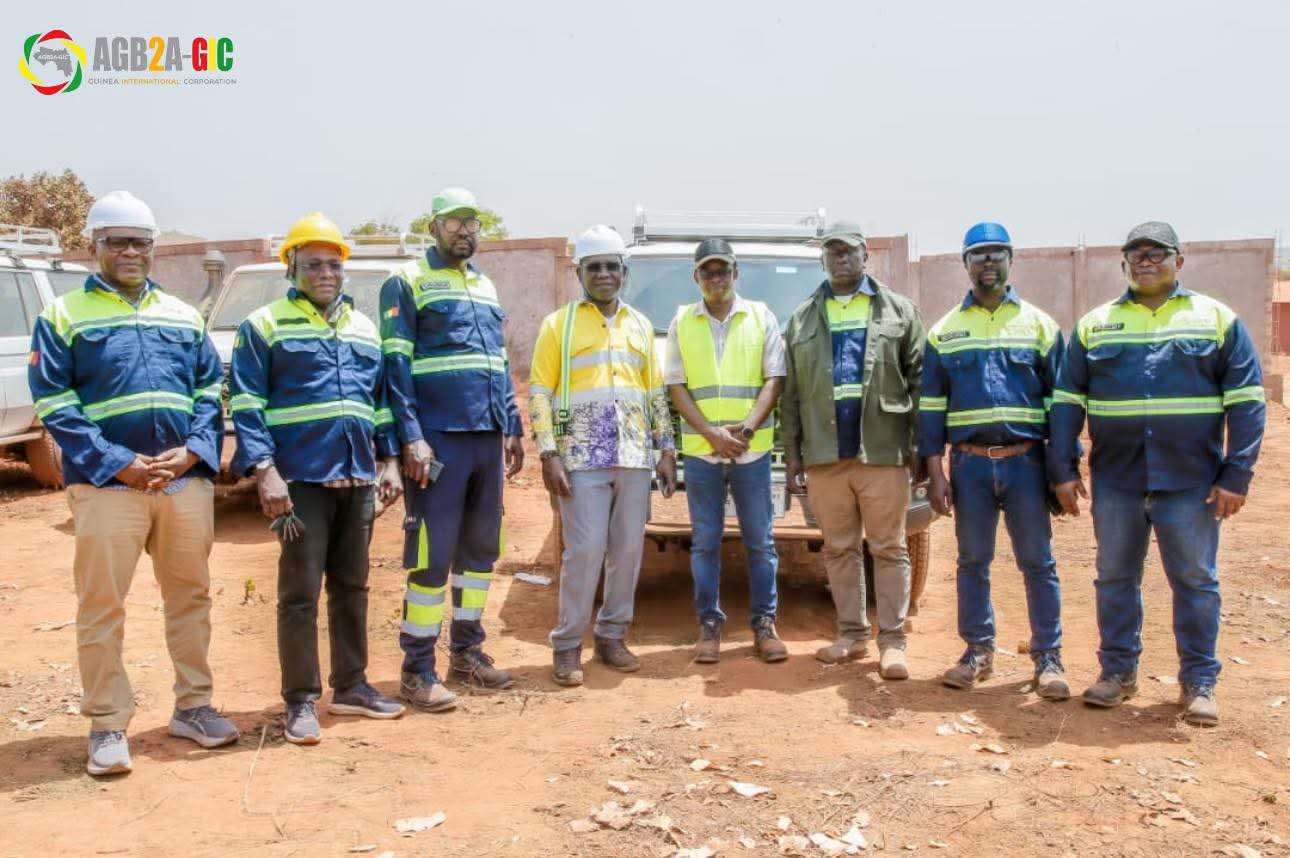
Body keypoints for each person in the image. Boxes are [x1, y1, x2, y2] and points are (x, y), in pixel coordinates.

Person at [27, 191, 238, 775]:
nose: (129, 252)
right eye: (117, 241)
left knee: (191, 599)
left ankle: (194, 707)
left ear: (153, 248)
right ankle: (107, 724)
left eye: (140, 243)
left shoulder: (181, 315)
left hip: (181, 485)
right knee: (102, 606)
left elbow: (208, 390)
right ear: (94, 246)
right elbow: (55, 401)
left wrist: (193, 452)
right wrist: (116, 462)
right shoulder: (63, 316)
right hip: (107, 488)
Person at [1050, 221, 1265, 726]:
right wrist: (1063, 468)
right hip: (1117, 481)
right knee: (1114, 578)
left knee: (1195, 580)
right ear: (1124, 263)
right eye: (1137, 254)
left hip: (1190, 481)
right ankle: (1117, 672)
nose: (1146, 261)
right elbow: (1066, 402)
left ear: (1178, 261)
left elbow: (1247, 402)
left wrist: (1237, 473)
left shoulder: (1216, 321)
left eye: (1157, 253)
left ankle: (1199, 682)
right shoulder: (1096, 325)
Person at [230, 212, 406, 744]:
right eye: (313, 264)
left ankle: (351, 686)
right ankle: (301, 700)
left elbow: (379, 404)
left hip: (357, 480)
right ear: (291, 267)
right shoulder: (263, 326)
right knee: (300, 593)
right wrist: (265, 471)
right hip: (301, 481)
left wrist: (389, 461)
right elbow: (246, 403)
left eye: (333, 264)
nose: (325, 273)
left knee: (352, 587)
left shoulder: (363, 328)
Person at [379, 187, 525, 711]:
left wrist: (512, 426)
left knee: (480, 551)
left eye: (471, 222)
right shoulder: (407, 281)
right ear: (434, 227)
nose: (464, 230)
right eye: (453, 221)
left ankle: (467, 654)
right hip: (437, 440)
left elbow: (499, 363)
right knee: (432, 556)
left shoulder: (485, 286)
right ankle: (417, 670)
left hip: (486, 437)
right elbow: (395, 366)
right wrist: (410, 437)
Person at [919, 222, 1068, 699]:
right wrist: (935, 472)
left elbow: (1061, 405)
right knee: (972, 561)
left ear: (1011, 260)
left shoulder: (1039, 326)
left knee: (1038, 562)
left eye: (996, 253)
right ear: (965, 264)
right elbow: (931, 408)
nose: (988, 262)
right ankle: (977, 652)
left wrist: (1062, 470)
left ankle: (1048, 658)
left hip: (1027, 464)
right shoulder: (945, 332)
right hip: (970, 467)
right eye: (978, 254)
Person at [529, 225, 677, 686]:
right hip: (581, 458)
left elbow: (654, 393)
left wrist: (666, 448)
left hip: (633, 456)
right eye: (594, 267)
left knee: (628, 551)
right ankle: (568, 645)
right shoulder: (558, 325)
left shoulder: (639, 324)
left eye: (612, 266)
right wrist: (548, 452)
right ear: (579, 273)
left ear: (624, 272)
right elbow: (540, 391)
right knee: (585, 551)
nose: (604, 274)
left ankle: (612, 636)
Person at [781, 220, 925, 679]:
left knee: (889, 547)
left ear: (866, 255)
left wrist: (921, 447)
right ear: (824, 259)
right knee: (839, 548)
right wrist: (793, 452)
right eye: (832, 252)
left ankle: (893, 642)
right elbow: (791, 395)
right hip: (826, 454)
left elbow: (921, 383)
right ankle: (851, 635)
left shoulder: (899, 311)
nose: (840, 259)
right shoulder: (802, 318)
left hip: (882, 450)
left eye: (848, 251)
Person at [664, 238, 788, 664]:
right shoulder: (682, 321)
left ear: (736, 273)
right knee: (705, 543)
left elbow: (775, 378)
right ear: (696, 276)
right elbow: (675, 385)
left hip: (752, 453)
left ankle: (764, 624)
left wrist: (747, 429)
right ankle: (709, 625)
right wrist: (712, 434)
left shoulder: (761, 316)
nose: (716, 278)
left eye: (723, 270)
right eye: (708, 271)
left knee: (761, 542)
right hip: (703, 453)